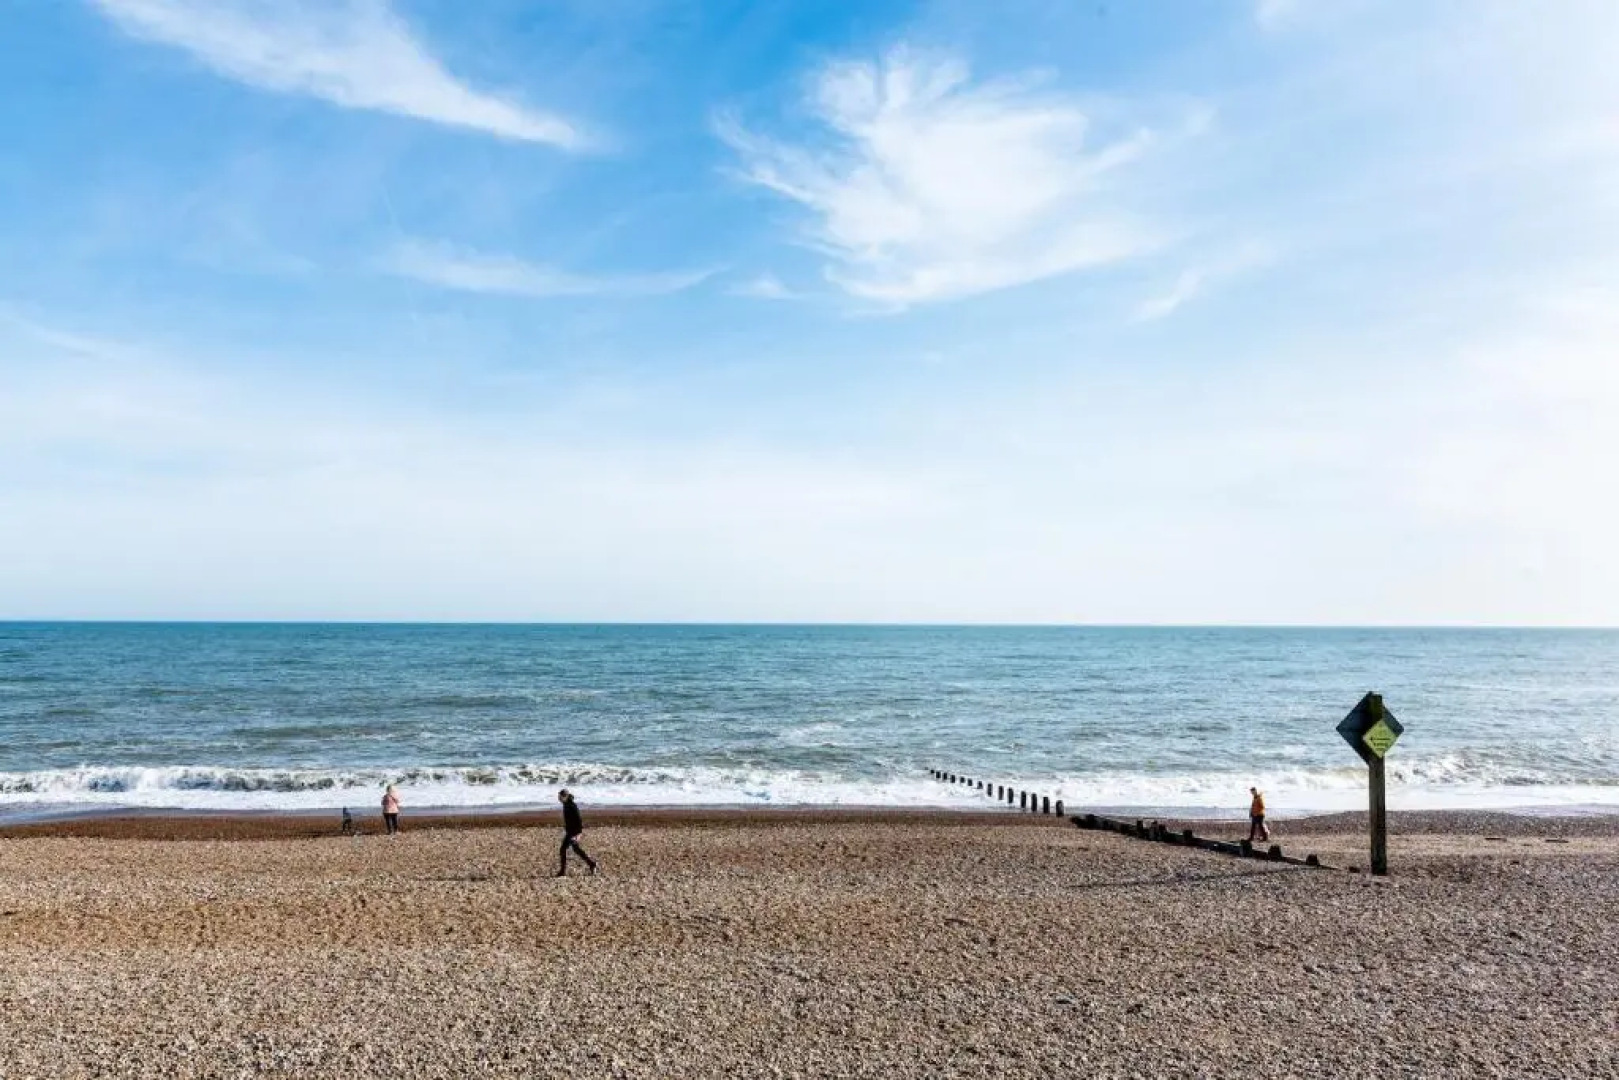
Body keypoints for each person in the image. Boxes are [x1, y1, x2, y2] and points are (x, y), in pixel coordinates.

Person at [556, 789, 597, 876]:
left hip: (574, 832)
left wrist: (578, 834)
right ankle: (591, 864)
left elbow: (579, 820)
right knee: (573, 849)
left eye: (560, 797)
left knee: (566, 849)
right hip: (570, 831)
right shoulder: (566, 804)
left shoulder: (572, 806)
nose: (559, 798)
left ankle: (563, 871)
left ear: (565, 796)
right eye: (559, 796)